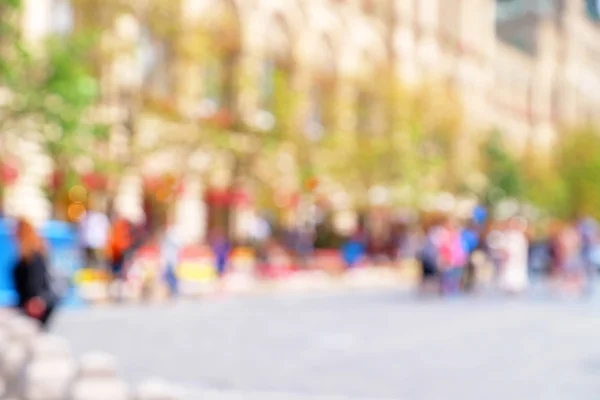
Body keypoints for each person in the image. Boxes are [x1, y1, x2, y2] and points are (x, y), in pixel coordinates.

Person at [12, 218, 58, 329]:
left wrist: (34, 300)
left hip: (34, 305)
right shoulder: (34, 252)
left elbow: (35, 280)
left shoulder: (31, 254)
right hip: (32, 303)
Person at [498, 218, 529, 294]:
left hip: (518, 259)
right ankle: (509, 287)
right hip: (509, 258)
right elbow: (502, 246)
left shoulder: (520, 235)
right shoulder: (507, 234)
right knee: (508, 271)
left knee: (518, 271)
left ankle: (517, 286)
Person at [105, 217, 133, 300]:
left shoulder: (120, 230)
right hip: (116, 253)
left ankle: (118, 291)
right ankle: (116, 291)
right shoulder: (119, 229)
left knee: (119, 273)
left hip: (119, 253)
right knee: (117, 273)